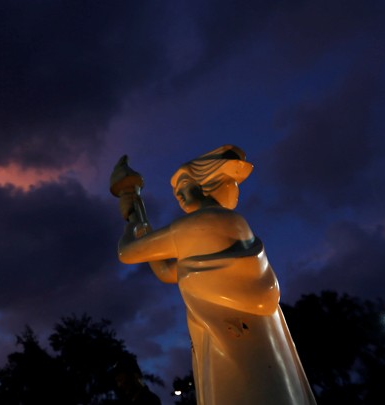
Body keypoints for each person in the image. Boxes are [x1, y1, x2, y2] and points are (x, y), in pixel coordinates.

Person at [116, 145, 317, 405]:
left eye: (183, 188)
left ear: (203, 186)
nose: (180, 197)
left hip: (228, 340)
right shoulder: (232, 224)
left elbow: (128, 253)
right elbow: (168, 271)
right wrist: (140, 216)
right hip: (254, 339)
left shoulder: (202, 222)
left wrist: (133, 221)